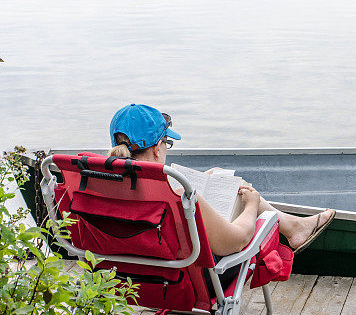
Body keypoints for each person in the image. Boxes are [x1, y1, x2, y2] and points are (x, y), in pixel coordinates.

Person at [108, 103, 336, 257]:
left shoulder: (102, 186)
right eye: (167, 143)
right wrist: (252, 205)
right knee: (242, 191)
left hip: (132, 276)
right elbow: (236, 241)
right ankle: (293, 228)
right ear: (157, 149)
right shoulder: (178, 196)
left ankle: (293, 227)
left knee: (217, 174)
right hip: (188, 275)